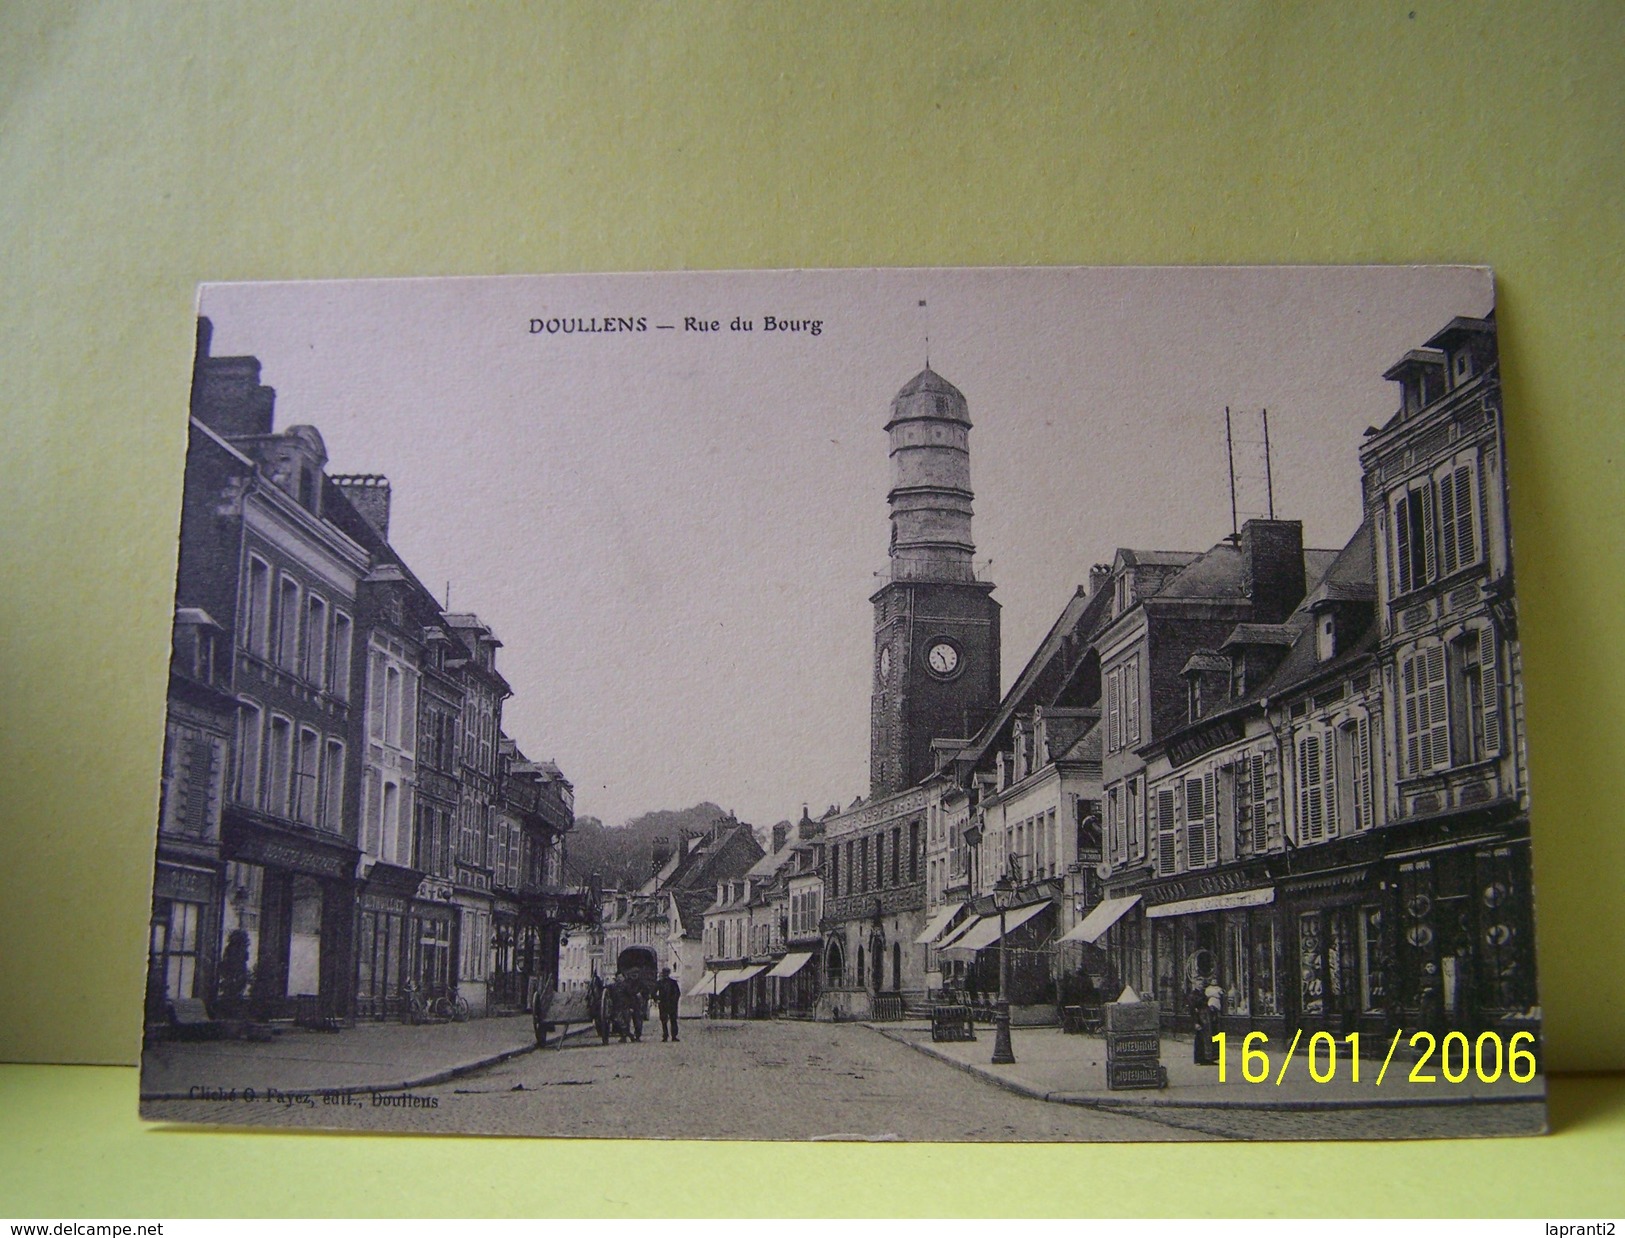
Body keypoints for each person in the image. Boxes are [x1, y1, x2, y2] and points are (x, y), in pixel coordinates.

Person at [656, 966, 682, 1042]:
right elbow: (654, 992)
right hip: (664, 1004)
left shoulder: (673, 982)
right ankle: (666, 1035)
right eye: (665, 973)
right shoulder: (660, 982)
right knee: (664, 1021)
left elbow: (677, 993)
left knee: (673, 1020)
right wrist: (657, 999)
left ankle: (673, 1036)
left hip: (671, 1004)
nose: (666, 974)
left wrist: (674, 1000)